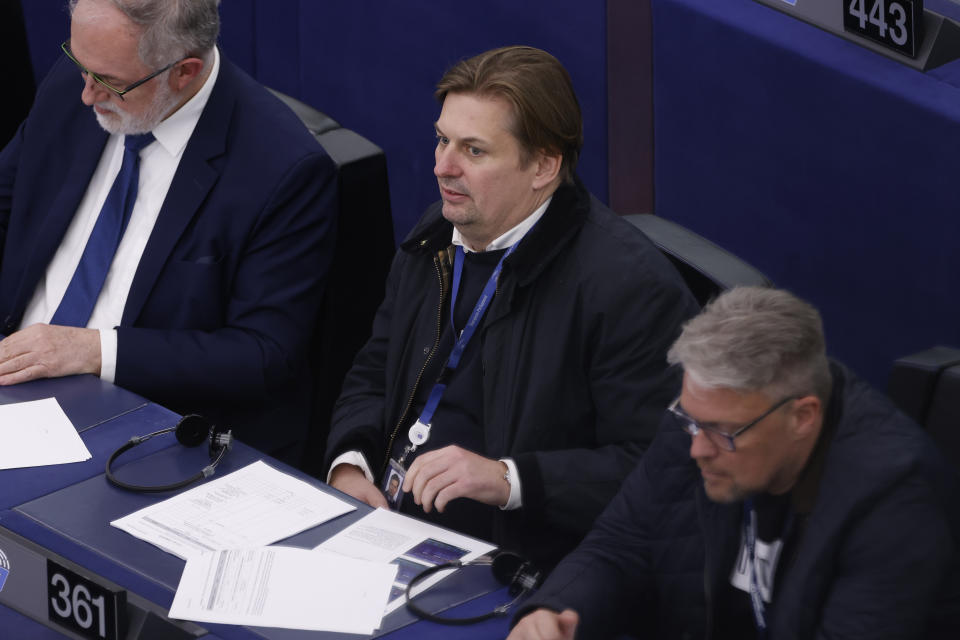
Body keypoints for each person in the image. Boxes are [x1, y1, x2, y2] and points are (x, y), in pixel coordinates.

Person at [324, 45, 698, 571]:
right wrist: (351, 463)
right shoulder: (436, 235)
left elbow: (661, 466)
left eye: (474, 151)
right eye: (441, 140)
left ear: (544, 165)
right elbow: (374, 369)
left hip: (511, 567)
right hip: (383, 530)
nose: (442, 167)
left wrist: (509, 480)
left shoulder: (629, 289)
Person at [509, 287, 960, 639]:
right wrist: (556, 613)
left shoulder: (894, 501)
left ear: (802, 416)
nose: (697, 450)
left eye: (722, 433)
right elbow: (622, 543)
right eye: (690, 419)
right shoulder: (701, 420)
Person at [0, 0, 336, 457]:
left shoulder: (281, 169)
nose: (86, 95)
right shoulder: (83, 75)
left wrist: (93, 350)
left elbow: (262, 355)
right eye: (81, 65)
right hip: (14, 381)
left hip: (143, 427)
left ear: (184, 72)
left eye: (110, 83)